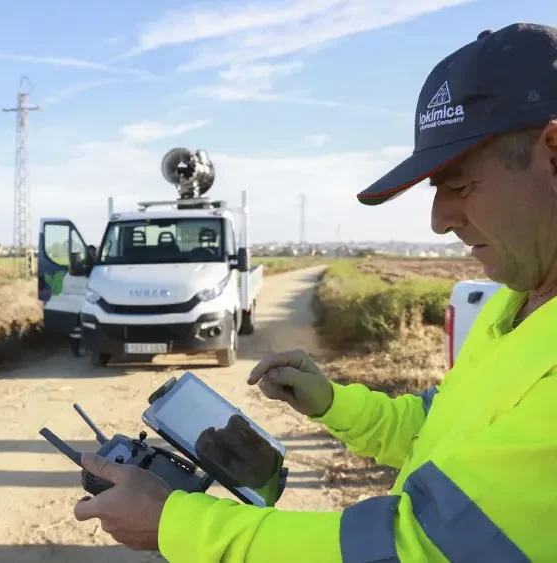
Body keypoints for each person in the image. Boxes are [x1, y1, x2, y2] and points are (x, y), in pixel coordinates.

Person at [71, 22, 557, 561]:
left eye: (460, 184)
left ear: (553, 154)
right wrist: (332, 403)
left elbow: (416, 548)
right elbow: (437, 428)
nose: (439, 219)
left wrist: (176, 523)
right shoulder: (515, 305)